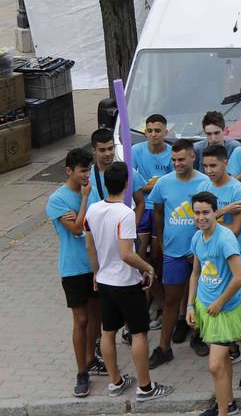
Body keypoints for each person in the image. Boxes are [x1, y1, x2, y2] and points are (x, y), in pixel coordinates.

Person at [84, 162, 173, 402]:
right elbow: (127, 253)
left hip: (104, 280)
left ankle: (115, 381)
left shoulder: (92, 210)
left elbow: (90, 247)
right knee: (139, 333)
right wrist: (148, 267)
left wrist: (96, 272)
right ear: (126, 184)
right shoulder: (124, 213)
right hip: (125, 282)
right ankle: (145, 387)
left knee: (108, 332)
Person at [187, 191, 241, 416]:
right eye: (197, 213)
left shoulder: (225, 238)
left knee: (214, 365)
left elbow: (240, 277)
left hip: (225, 310)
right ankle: (228, 404)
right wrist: (190, 305)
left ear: (215, 213)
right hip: (206, 307)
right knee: (222, 361)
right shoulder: (197, 237)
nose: (201, 217)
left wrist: (219, 302)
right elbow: (196, 273)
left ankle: (223, 412)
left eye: (206, 212)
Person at [146, 138, 213, 366]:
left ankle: (198, 336)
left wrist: (202, 248)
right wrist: (162, 241)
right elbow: (157, 212)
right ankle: (164, 347)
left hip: (201, 254)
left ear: (193, 157)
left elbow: (212, 218)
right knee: (172, 299)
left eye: (181, 159)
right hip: (173, 254)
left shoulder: (205, 183)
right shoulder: (163, 183)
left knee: (202, 299)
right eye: (173, 160)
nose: (177, 164)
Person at [48, 147, 101, 397]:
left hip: (95, 266)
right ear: (69, 171)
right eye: (82, 171)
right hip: (73, 268)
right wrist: (83, 201)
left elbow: (97, 221)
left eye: (88, 170)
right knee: (80, 320)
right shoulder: (57, 200)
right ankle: (82, 372)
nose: (86, 175)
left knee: (95, 316)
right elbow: (78, 229)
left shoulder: (93, 191)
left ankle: (92, 358)